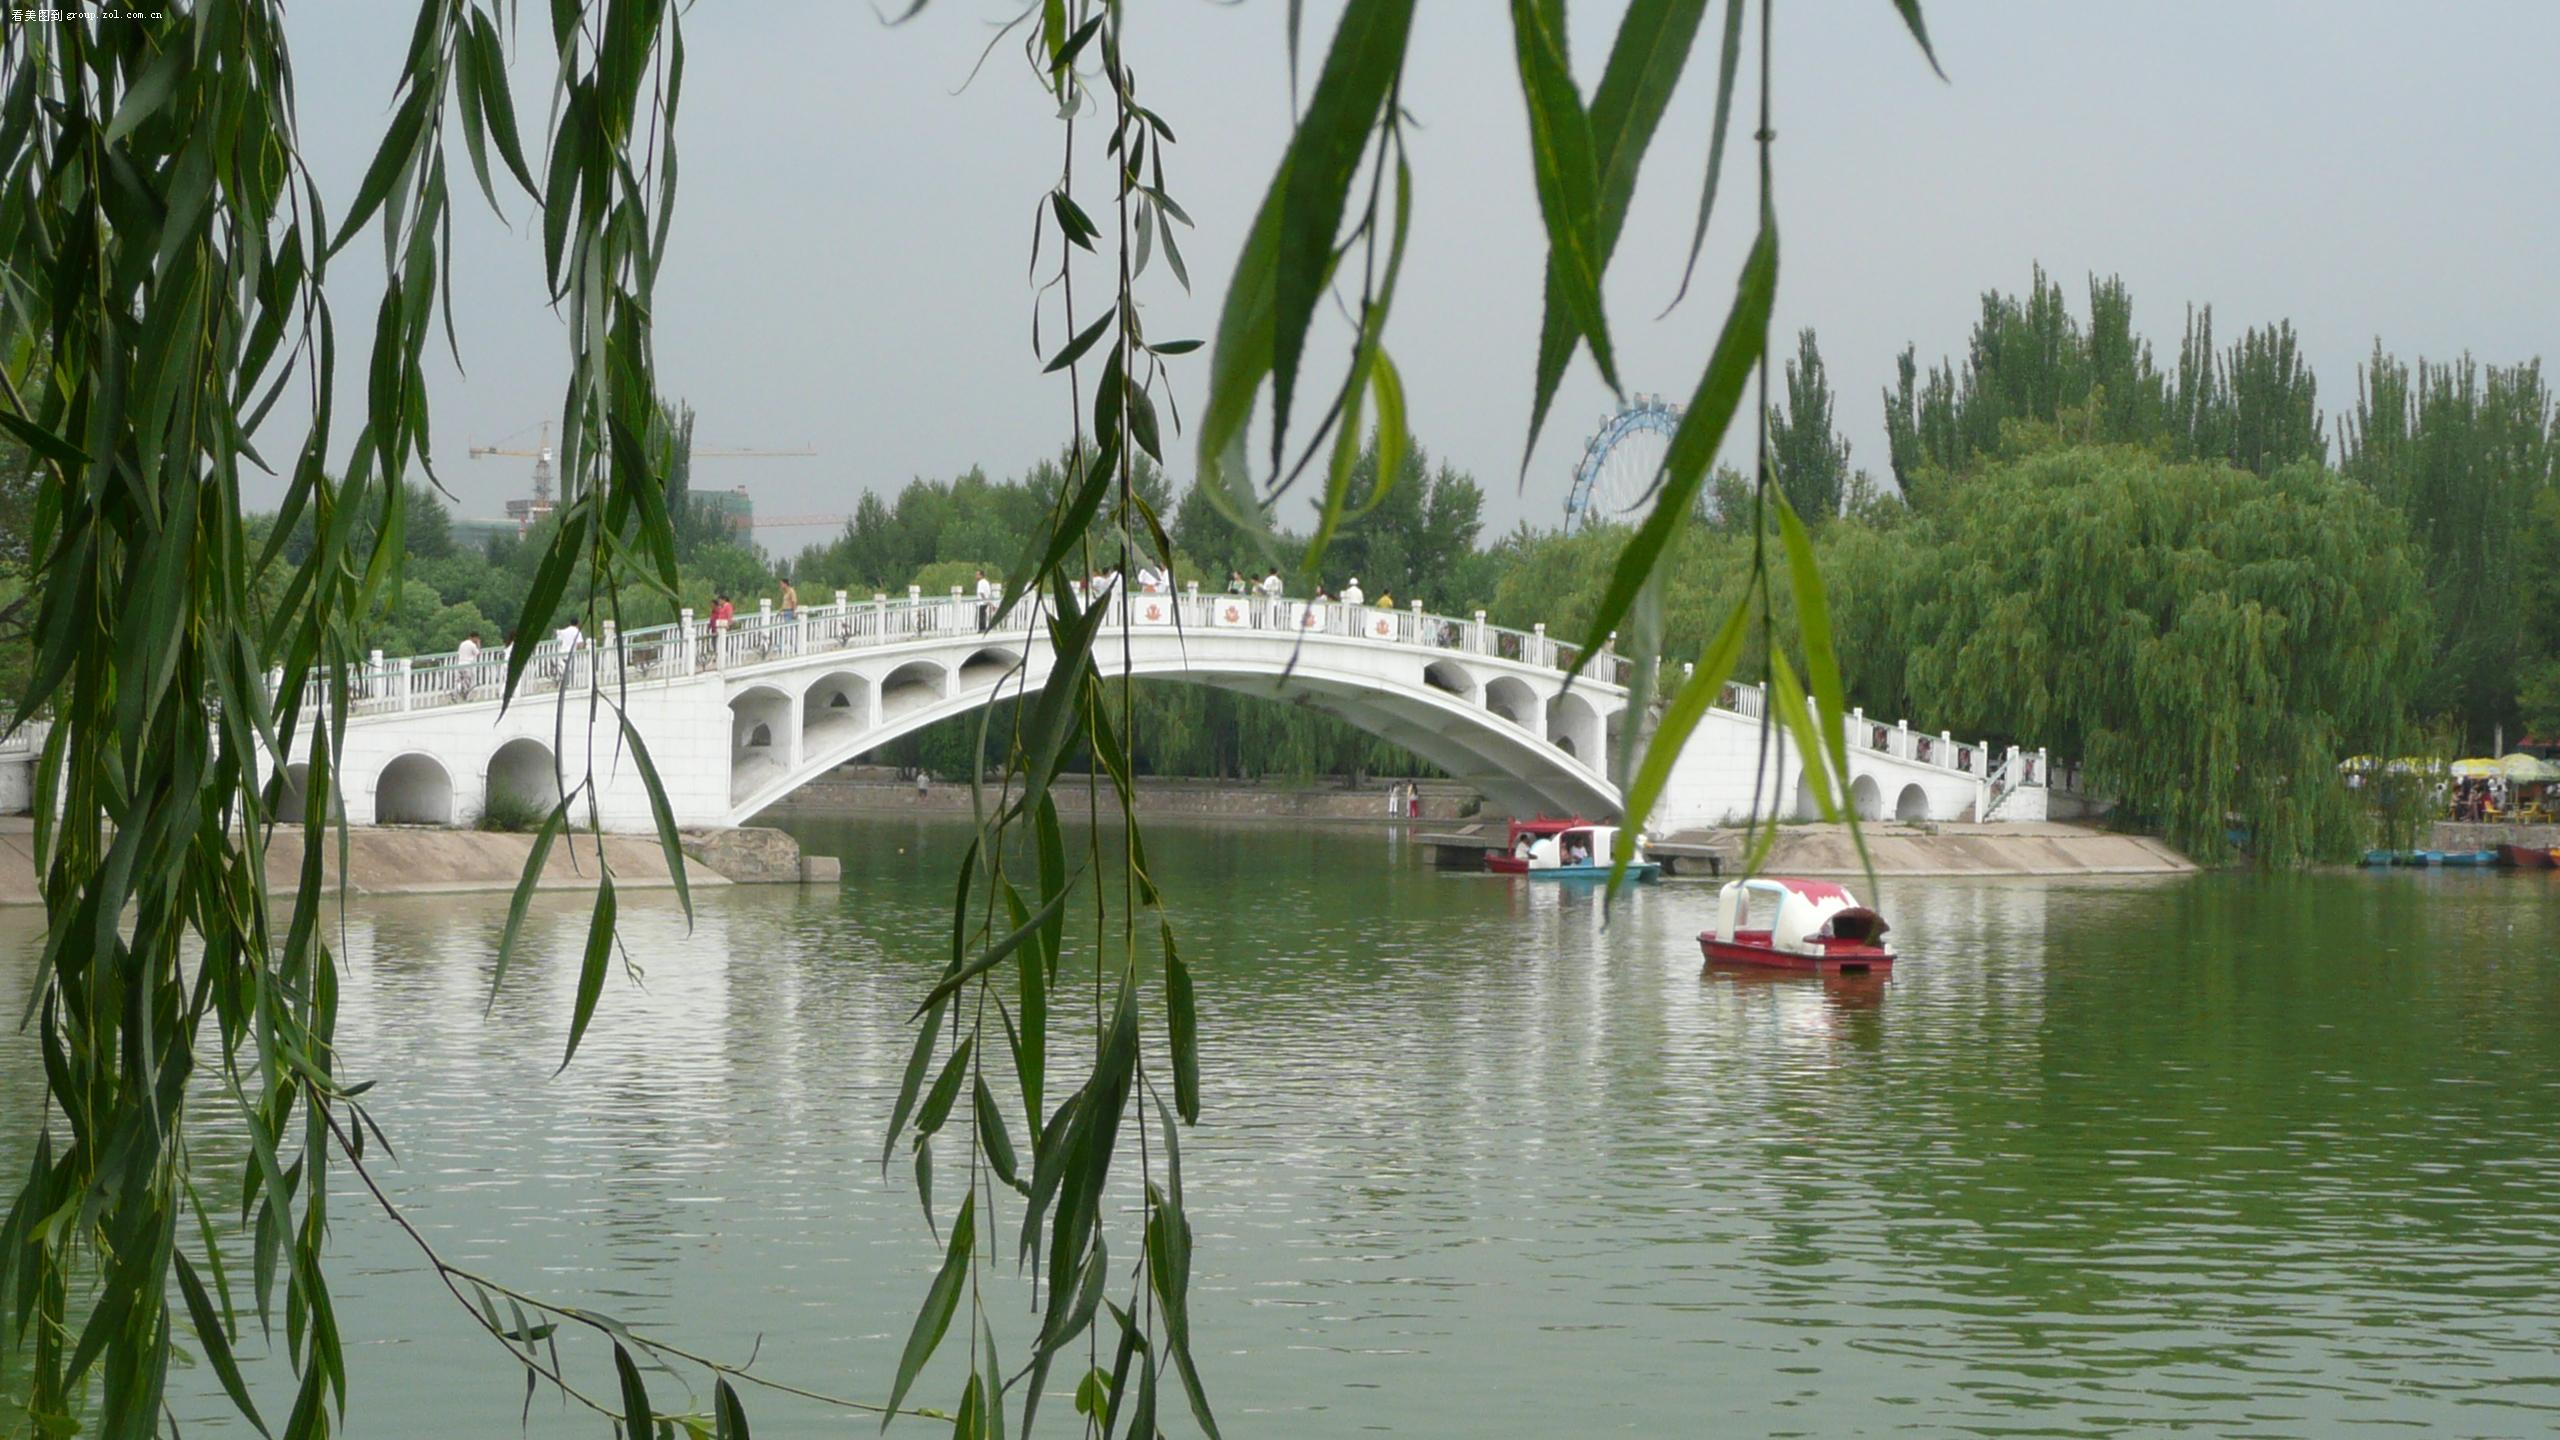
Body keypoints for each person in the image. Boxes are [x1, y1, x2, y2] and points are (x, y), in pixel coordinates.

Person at [454, 630, 482, 700]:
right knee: (469, 680)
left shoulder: (462, 643)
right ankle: (466, 696)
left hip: (459, 664)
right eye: (477, 638)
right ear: (474, 637)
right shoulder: (472, 645)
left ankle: (457, 693)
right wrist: (478, 644)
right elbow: (478, 653)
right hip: (467, 665)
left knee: (459, 680)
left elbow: (458, 654)